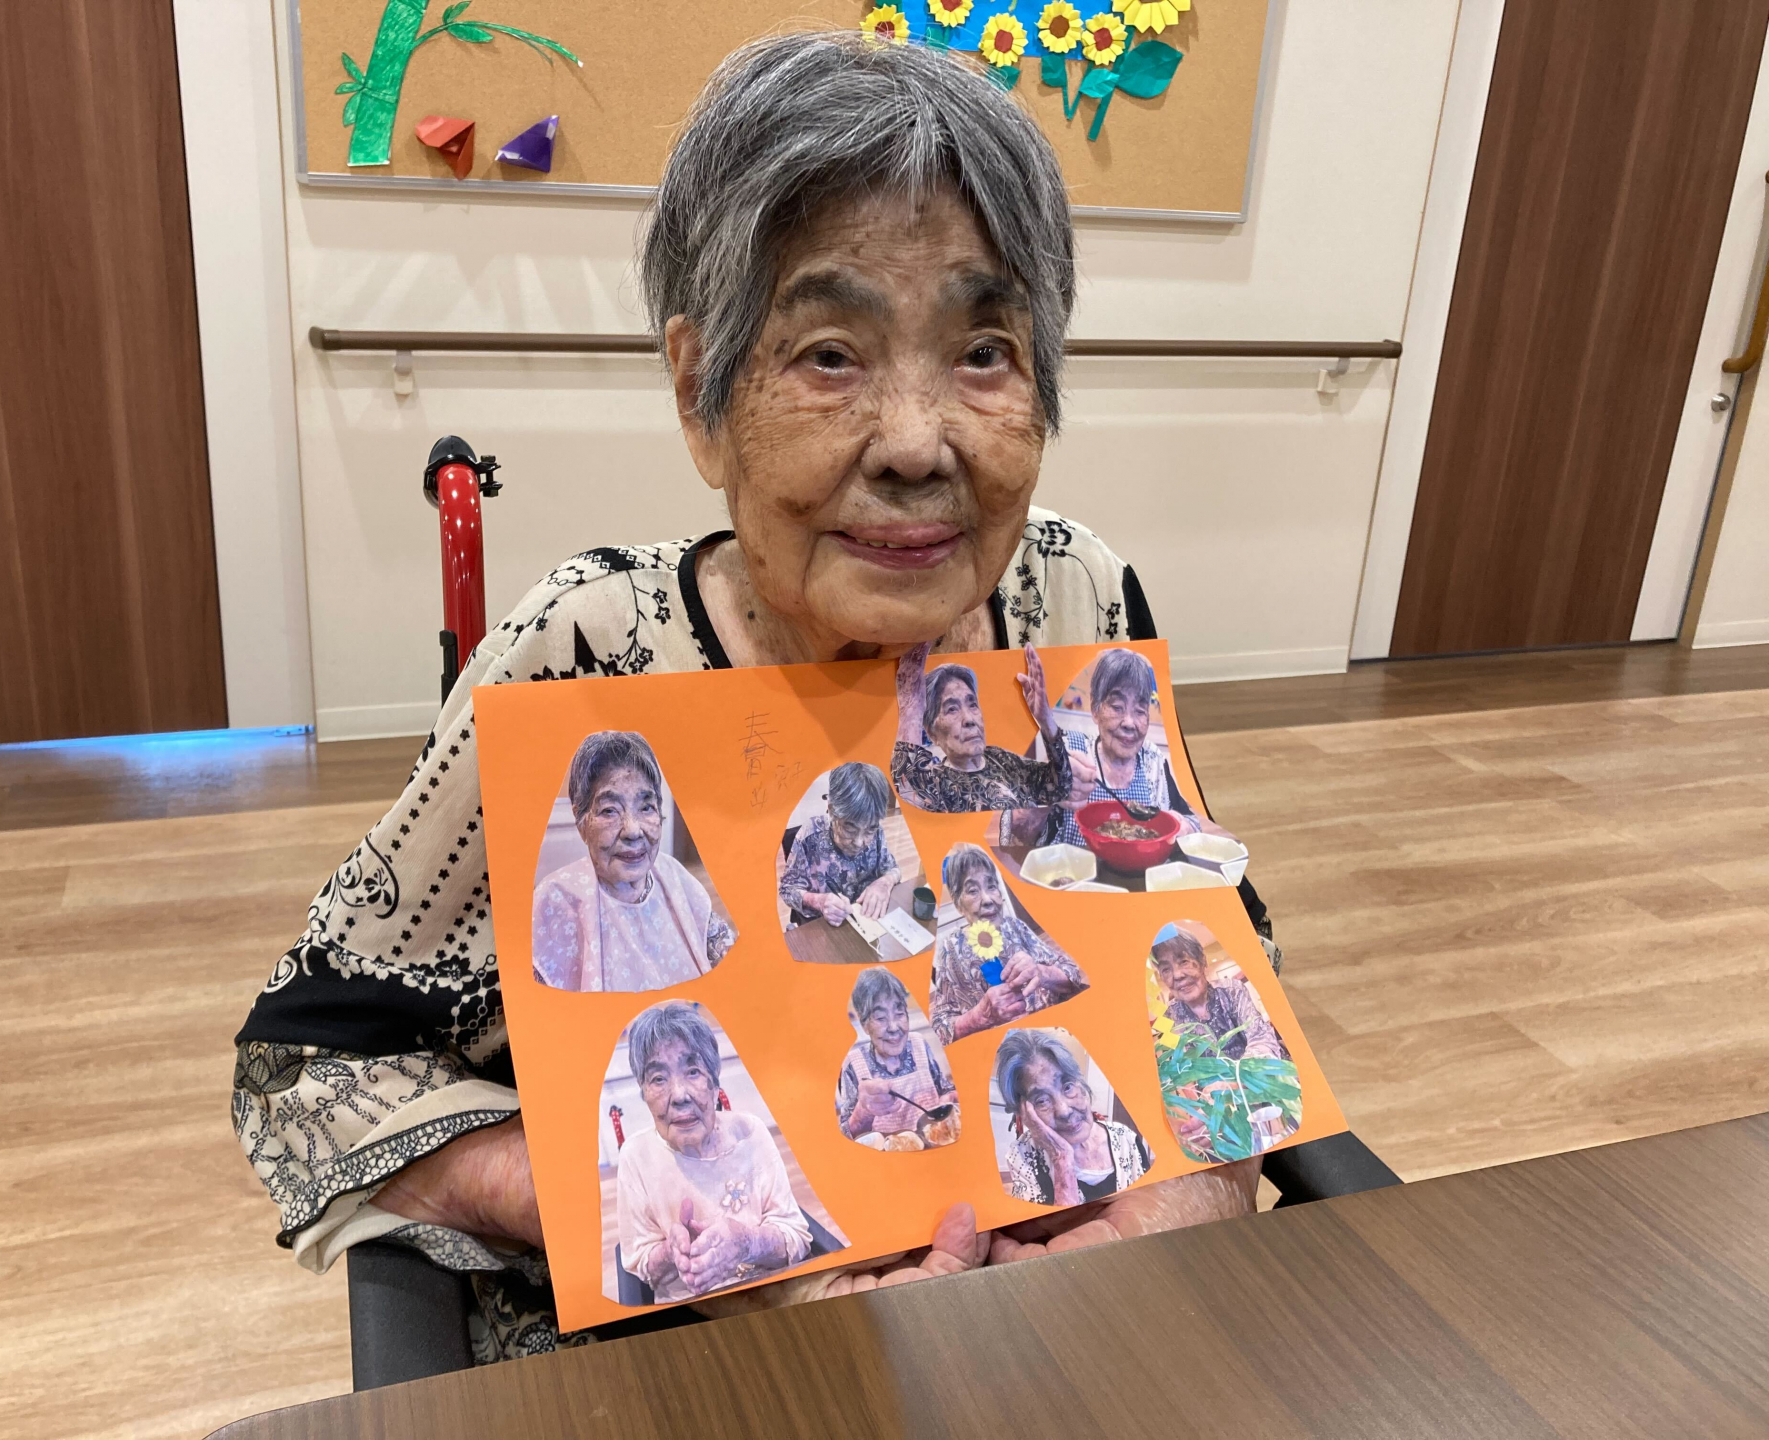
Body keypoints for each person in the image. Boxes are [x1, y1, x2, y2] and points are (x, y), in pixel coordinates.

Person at [231, 30, 1277, 1360]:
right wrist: (692, 1225)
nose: (917, 445)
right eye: (830, 355)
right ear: (699, 392)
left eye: (984, 351)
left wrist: (1188, 1200)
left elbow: (1218, 952)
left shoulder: (1078, 600)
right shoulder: (590, 653)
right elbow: (310, 1067)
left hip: (1076, 1318)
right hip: (692, 1344)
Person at [614, 1003, 818, 1303]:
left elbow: (797, 1238)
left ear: (714, 1083)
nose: (679, 1095)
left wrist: (747, 1242)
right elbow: (640, 1265)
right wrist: (671, 1251)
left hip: (779, 1295)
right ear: (643, 1093)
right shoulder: (637, 1157)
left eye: (693, 1071)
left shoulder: (751, 1133)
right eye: (658, 1079)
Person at [532, 731, 736, 992]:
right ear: (582, 823)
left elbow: (731, 963)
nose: (632, 830)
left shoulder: (675, 875)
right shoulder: (555, 899)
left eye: (646, 807)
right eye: (609, 810)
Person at [1009, 647, 1225, 850]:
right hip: (1077, 874)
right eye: (1117, 707)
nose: (1129, 723)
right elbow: (1020, 832)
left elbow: (1192, 822)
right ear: (1095, 709)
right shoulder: (1070, 750)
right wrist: (1048, 791)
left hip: (1142, 873)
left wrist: (1180, 826)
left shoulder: (1153, 761)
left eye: (1140, 710)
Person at [927, 844, 1087, 1045]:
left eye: (992, 886)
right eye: (973, 891)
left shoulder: (1016, 926)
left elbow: (1072, 974)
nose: (987, 899)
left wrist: (1043, 973)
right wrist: (979, 1016)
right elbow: (940, 1028)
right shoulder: (951, 950)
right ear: (959, 904)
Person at [891, 645, 1072, 813]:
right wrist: (911, 705)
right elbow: (905, 780)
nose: (969, 719)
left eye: (973, 705)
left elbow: (1059, 788)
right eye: (952, 709)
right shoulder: (937, 783)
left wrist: (1045, 719)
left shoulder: (1000, 759)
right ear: (932, 734)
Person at [995, 1029, 1150, 1205]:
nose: (1064, 1111)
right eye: (1042, 1100)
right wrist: (1061, 1159)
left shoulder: (1126, 1139)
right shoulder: (1023, 1155)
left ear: (1081, 1085)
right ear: (1024, 1111)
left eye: (1068, 1087)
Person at [835, 968, 958, 1149]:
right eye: (880, 1018)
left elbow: (945, 1090)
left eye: (899, 1014)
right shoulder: (854, 1063)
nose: (893, 1027)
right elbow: (847, 1137)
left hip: (936, 1144)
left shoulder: (919, 1043)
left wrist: (949, 1099)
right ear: (864, 1025)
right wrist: (863, 1112)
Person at [778, 763, 901, 925]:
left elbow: (893, 869)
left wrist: (884, 883)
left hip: (865, 922)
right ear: (831, 809)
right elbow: (787, 890)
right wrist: (818, 901)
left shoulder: (876, 831)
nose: (859, 842)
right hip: (824, 927)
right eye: (850, 829)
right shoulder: (810, 836)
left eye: (869, 830)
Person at [1152, 927, 1287, 1062]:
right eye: (1166, 969)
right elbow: (1175, 1063)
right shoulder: (1169, 1015)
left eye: (1184, 962)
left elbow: (1261, 1039)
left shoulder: (1231, 991)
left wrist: (1237, 1074)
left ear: (1202, 960)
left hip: (1255, 1073)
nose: (1177, 975)